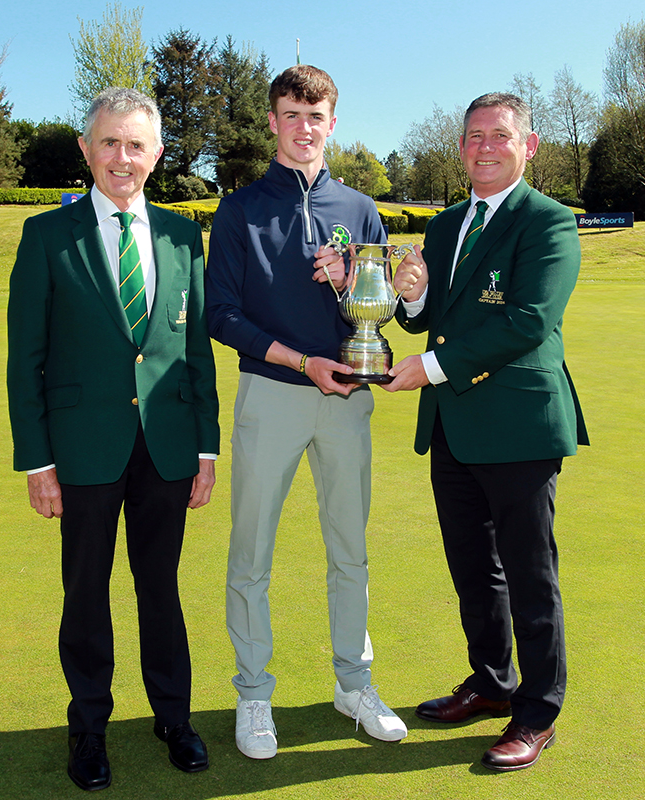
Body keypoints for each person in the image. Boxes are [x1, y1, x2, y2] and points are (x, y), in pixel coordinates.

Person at [7, 87, 220, 790]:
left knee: (161, 588)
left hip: (167, 446)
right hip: (82, 449)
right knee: (86, 592)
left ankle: (174, 717)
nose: (122, 158)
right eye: (109, 142)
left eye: (135, 145)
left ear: (156, 154)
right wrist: (37, 461)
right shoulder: (46, 236)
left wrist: (207, 451)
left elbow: (195, 352)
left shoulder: (184, 237)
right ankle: (89, 727)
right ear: (86, 149)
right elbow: (25, 359)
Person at [205, 64, 407, 760]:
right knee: (251, 552)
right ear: (272, 121)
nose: (303, 128)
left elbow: (377, 315)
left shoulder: (360, 209)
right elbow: (221, 314)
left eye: (315, 117)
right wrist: (299, 361)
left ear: (332, 124)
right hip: (272, 394)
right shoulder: (239, 210)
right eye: (291, 115)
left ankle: (355, 684)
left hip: (347, 398)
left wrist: (351, 281)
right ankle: (253, 694)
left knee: (350, 549)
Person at [384, 91, 589, 772]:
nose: (485, 147)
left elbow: (529, 321)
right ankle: (493, 681)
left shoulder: (549, 222)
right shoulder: (445, 225)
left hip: (519, 425)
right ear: (461, 147)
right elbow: (428, 319)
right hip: (453, 425)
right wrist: (414, 293)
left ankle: (537, 712)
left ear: (528, 146)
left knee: (530, 574)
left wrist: (430, 367)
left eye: (500, 135)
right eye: (474, 136)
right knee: (473, 567)